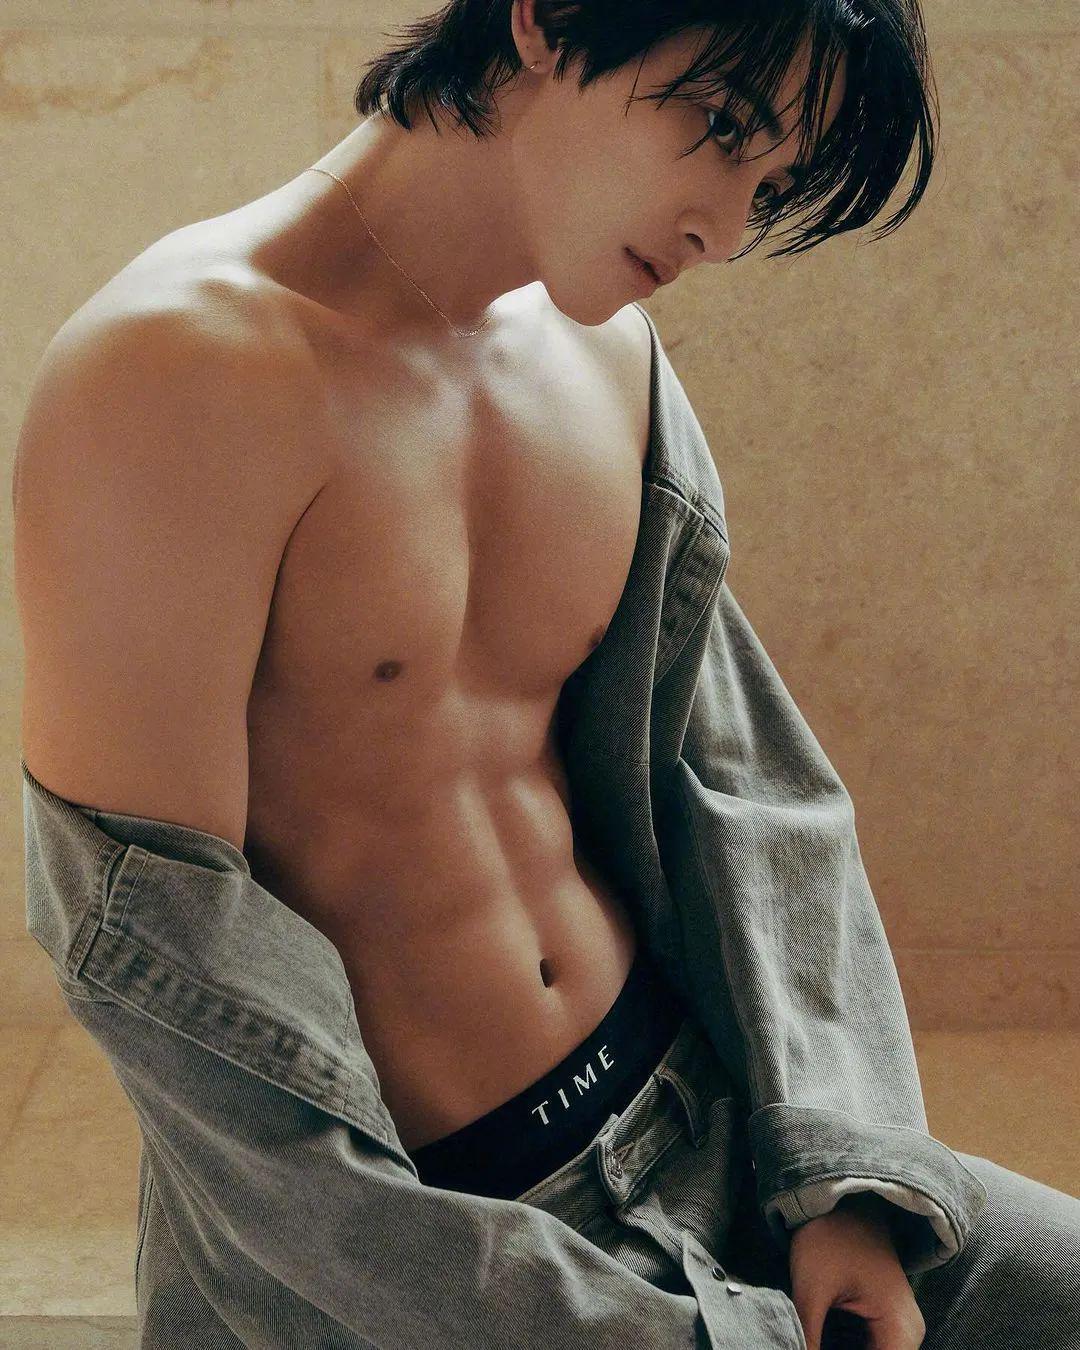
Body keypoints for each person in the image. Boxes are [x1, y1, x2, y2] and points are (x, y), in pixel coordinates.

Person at [13, 2, 1079, 1347]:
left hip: (707, 1129)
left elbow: (748, 793)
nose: (725, 230)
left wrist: (844, 1183)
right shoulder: (174, 377)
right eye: (722, 127)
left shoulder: (605, 352)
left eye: (769, 186)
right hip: (406, 1263)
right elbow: (155, 972)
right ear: (544, 18)